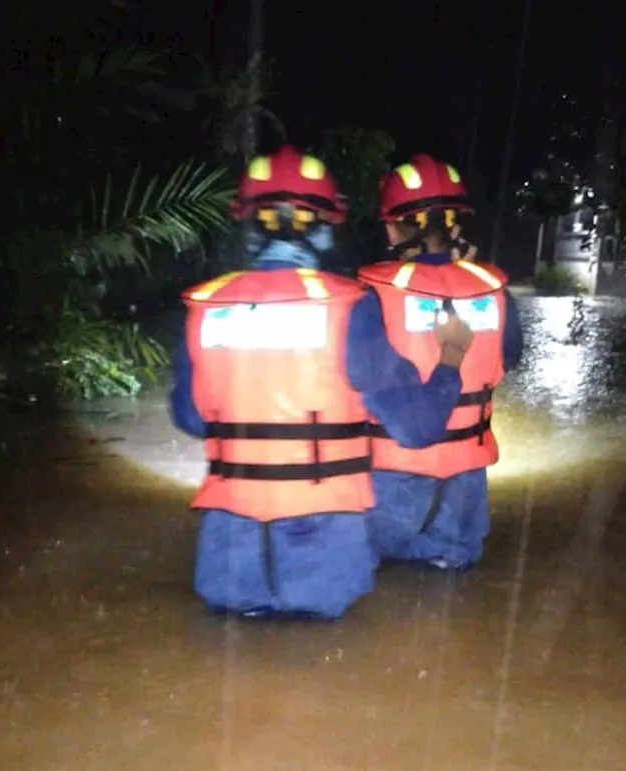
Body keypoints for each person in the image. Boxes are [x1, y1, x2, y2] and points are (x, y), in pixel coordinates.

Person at [168, 145, 475, 620]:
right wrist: (451, 358)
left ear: (248, 228)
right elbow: (418, 429)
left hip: (230, 564)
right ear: (329, 227)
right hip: (324, 563)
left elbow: (190, 418)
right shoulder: (351, 309)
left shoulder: (204, 307)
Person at [355, 154, 525, 572]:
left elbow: (355, 375)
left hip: (391, 492)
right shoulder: (497, 291)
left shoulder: (372, 296)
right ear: (455, 225)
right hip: (465, 502)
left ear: (396, 227)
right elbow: (511, 357)